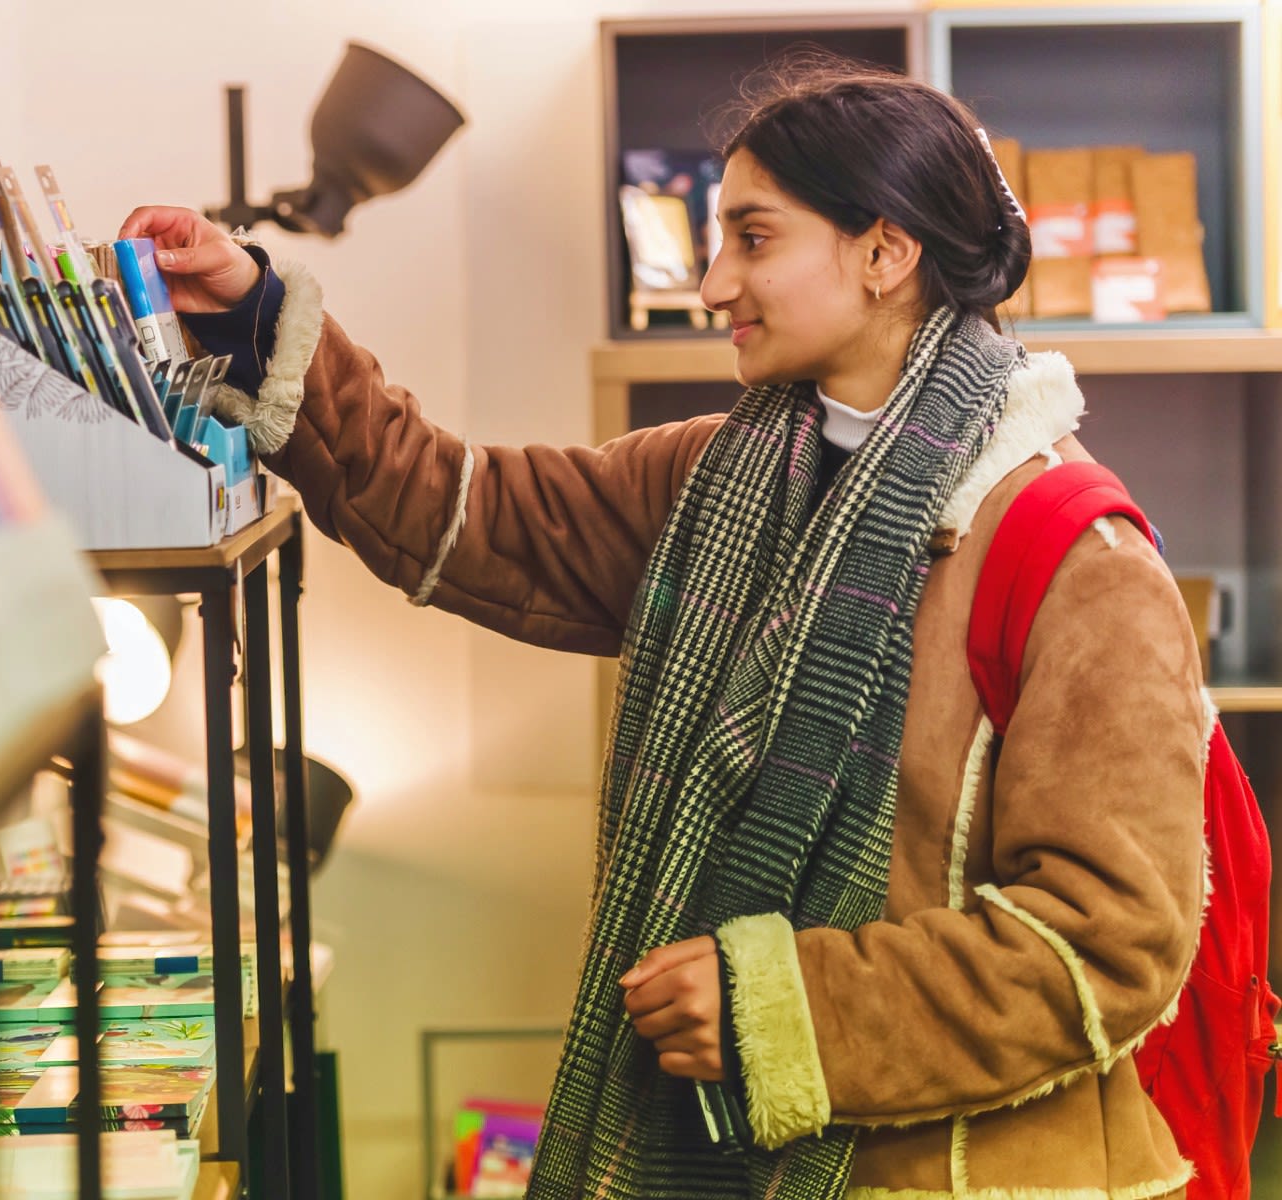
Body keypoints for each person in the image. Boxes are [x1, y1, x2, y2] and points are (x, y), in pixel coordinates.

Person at [122, 62, 1207, 1200]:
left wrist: (780, 1007)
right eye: (712, 239)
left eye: (753, 238)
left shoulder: (1077, 559)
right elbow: (464, 506)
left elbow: (1112, 941)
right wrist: (253, 312)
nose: (709, 282)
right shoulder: (713, 481)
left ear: (885, 253)